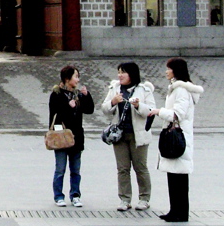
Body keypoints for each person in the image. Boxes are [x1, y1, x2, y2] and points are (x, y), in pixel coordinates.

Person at [147, 57, 203, 222]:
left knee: (179, 178)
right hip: (177, 136)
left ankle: (180, 212)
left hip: (179, 137)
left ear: (175, 70)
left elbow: (178, 114)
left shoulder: (181, 90)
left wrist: (159, 111)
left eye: (168, 68)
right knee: (173, 175)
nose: (166, 71)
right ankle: (175, 210)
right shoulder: (176, 88)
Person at [101, 61, 156, 211]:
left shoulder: (144, 90)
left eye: (123, 72)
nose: (120, 75)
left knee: (140, 167)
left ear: (132, 74)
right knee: (122, 168)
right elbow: (105, 109)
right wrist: (113, 101)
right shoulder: (115, 88)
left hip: (138, 135)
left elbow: (151, 111)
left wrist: (138, 105)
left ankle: (144, 198)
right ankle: (124, 199)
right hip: (119, 135)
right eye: (118, 72)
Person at [48, 65, 95, 207]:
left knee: (75, 169)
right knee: (60, 169)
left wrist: (87, 96)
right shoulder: (56, 94)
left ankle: (75, 195)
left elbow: (89, 109)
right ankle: (58, 196)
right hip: (61, 136)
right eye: (75, 76)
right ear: (67, 79)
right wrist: (69, 106)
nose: (78, 79)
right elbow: (54, 115)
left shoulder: (78, 94)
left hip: (76, 137)